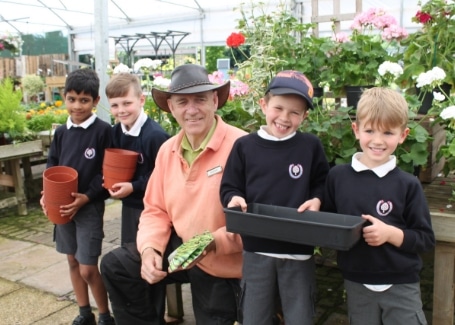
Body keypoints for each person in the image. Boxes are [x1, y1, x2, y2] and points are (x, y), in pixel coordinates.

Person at [100, 64, 247, 325]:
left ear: (214, 100)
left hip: (224, 259)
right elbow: (155, 209)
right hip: (182, 249)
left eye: (200, 99)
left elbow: (256, 220)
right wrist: (149, 250)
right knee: (117, 266)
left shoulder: (243, 146)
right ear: (171, 107)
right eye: (182, 102)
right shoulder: (168, 149)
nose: (191, 110)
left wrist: (212, 242)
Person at [220, 70, 330, 325]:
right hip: (257, 249)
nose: (284, 117)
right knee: (254, 316)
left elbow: (322, 183)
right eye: (278, 108)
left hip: (299, 250)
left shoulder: (310, 146)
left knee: (300, 315)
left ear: (304, 116)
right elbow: (229, 186)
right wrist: (234, 199)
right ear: (264, 104)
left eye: (294, 112)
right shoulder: (245, 146)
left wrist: (317, 199)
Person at [322, 87, 435, 325]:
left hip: (401, 282)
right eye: (370, 130)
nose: (377, 140)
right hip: (357, 281)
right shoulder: (338, 177)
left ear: (403, 135)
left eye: (388, 133)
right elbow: (328, 222)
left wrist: (390, 234)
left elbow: (425, 239)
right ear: (356, 130)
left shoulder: (408, 184)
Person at [41, 69, 115, 325]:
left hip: (89, 209)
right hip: (62, 209)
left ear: (95, 101)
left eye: (84, 100)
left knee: (88, 267)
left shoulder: (104, 131)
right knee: (72, 260)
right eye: (72, 99)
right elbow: (52, 166)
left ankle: (105, 315)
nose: (77, 105)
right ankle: (85, 313)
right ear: (64, 97)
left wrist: (87, 197)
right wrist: (46, 195)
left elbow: (107, 174)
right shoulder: (61, 132)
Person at [105, 73, 169, 245]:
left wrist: (133, 186)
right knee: (129, 249)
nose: (121, 110)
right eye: (115, 105)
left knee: (148, 248)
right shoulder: (116, 133)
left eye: (127, 103)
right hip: (129, 205)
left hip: (152, 208)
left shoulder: (154, 136)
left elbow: (163, 175)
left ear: (141, 100)